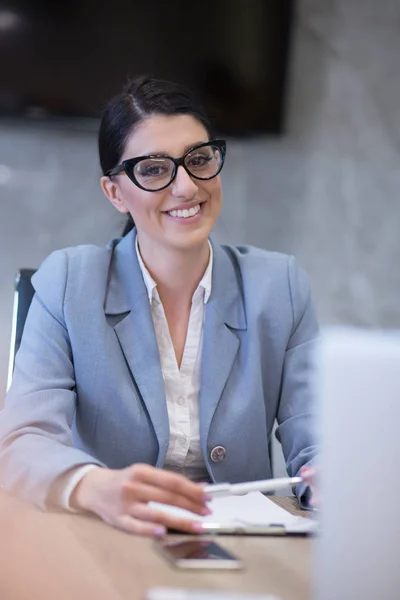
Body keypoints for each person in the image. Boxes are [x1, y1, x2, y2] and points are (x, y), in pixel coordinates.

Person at [0, 77, 318, 537]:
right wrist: (93, 485)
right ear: (114, 192)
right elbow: (20, 441)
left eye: (199, 159)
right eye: (153, 169)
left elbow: (318, 436)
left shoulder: (279, 286)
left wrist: (329, 476)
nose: (187, 186)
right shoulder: (69, 282)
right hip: (110, 536)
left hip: (249, 544)